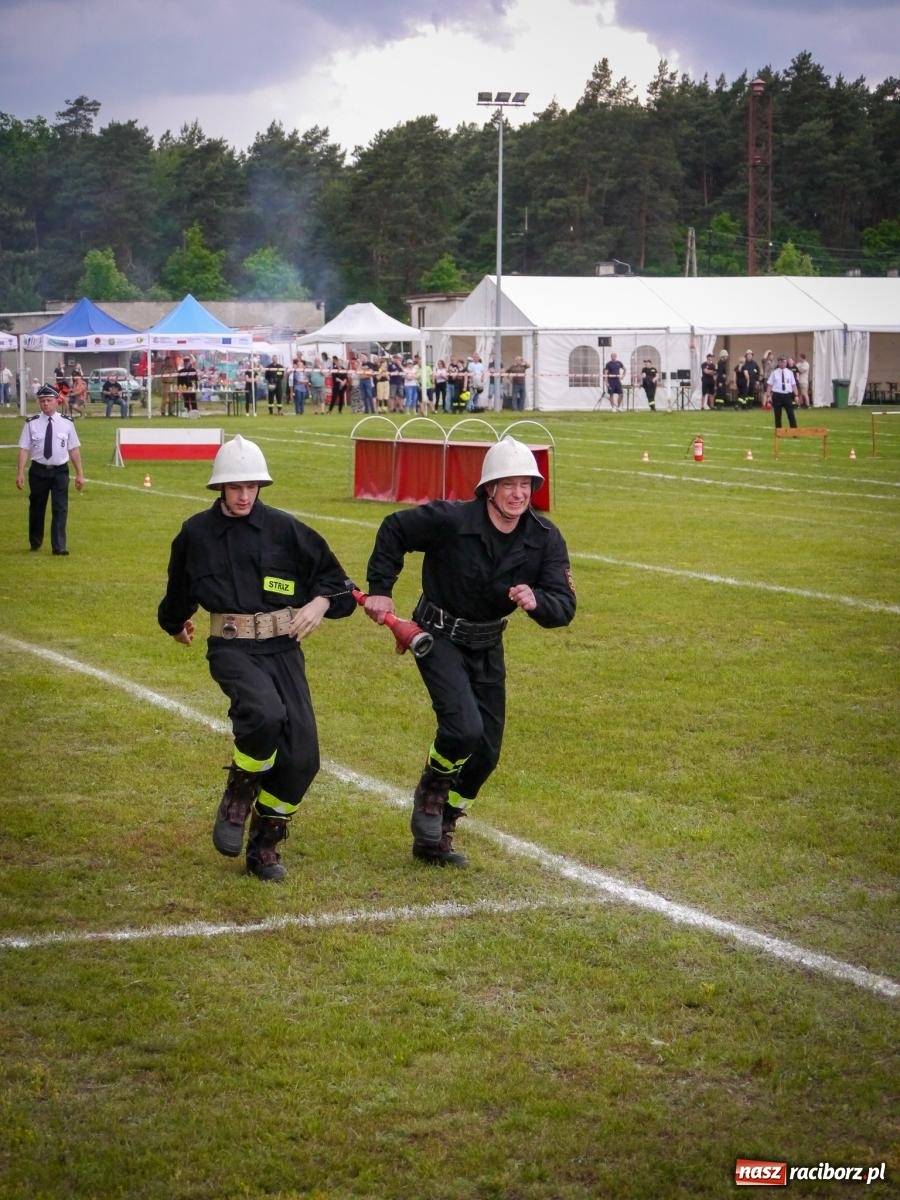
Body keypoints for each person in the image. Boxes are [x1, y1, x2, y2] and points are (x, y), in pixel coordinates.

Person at [362, 437, 576, 867]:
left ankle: (442, 825)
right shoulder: (451, 519)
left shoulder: (544, 537)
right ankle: (430, 793)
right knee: (462, 729)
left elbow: (563, 607)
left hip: (487, 643)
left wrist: (538, 602)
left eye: (526, 485)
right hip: (436, 635)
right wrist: (381, 590)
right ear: (489, 488)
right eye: (508, 484)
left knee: (487, 752)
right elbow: (395, 529)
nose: (518, 494)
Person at [157, 436, 357, 882]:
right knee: (264, 714)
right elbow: (179, 590)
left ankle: (265, 841)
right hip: (231, 647)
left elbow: (342, 585)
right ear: (219, 489)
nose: (244, 495)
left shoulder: (287, 531)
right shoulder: (195, 534)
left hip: (283, 649)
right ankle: (238, 795)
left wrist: (321, 602)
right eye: (234, 487)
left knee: (303, 759)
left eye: (251, 486)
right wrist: (175, 623)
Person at [15, 383, 85, 555]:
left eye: (49, 400)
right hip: (38, 471)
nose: (46, 404)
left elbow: (74, 449)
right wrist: (20, 473)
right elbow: (24, 449)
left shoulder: (67, 423)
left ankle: (59, 546)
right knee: (37, 507)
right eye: (43, 401)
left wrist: (80, 474)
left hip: (60, 470)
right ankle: (35, 541)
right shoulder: (32, 423)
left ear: (57, 401)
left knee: (60, 508)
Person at [765, 354, 798, 429]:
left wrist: (796, 395)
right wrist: (768, 396)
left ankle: (794, 431)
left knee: (791, 414)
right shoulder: (774, 373)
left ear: (786, 363)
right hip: (777, 395)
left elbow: (793, 385)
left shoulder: (790, 372)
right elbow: (769, 385)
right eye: (780, 362)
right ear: (778, 363)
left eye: (783, 362)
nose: (782, 363)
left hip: (787, 395)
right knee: (777, 415)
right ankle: (779, 431)